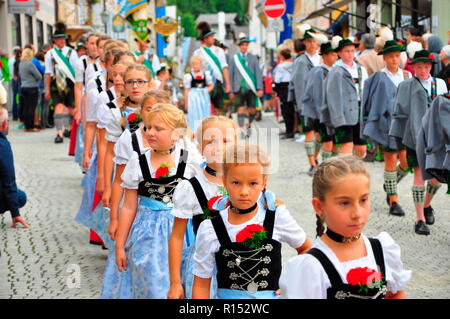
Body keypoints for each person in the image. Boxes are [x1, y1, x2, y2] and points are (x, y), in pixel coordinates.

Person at [279, 156, 411, 299]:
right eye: (344, 203)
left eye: (363, 200)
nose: (357, 213)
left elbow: (396, 294)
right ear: (319, 206)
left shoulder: (381, 250)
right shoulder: (311, 267)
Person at [192, 142, 312, 299]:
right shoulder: (210, 228)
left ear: (264, 182)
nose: (244, 192)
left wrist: (293, 281)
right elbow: (201, 283)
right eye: (236, 183)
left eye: (253, 183)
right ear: (224, 181)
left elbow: (307, 248)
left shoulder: (275, 217)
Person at [113, 104, 202, 298]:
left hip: (183, 232)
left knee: (184, 285)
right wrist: (119, 245)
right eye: (148, 127)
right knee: (152, 287)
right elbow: (128, 206)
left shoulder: (190, 160)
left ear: (178, 133)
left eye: (158, 128)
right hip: (147, 235)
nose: (150, 132)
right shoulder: (138, 161)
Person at [100, 90, 172, 299]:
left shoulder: (186, 152)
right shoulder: (130, 143)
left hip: (175, 229)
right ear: (141, 111)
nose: (154, 116)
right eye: (149, 109)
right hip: (143, 222)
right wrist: (114, 219)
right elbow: (120, 184)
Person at [168, 116, 237, 299]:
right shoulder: (191, 188)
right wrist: (175, 282)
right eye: (211, 141)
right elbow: (177, 236)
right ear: (200, 149)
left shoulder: (248, 184)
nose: (220, 147)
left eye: (226, 140)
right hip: (203, 270)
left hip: (240, 267)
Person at [388, 50, 447, 235]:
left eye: (426, 66)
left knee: (438, 179)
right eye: (419, 67)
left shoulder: (441, 84)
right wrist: (399, 144)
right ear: (413, 68)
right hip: (414, 137)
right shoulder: (406, 86)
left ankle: (427, 204)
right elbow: (399, 115)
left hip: (438, 139)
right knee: (419, 176)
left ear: (431, 66)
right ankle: (419, 219)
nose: (422, 70)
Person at [361, 40, 412, 218]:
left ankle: (389, 184)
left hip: (405, 126)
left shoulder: (407, 76)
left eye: (397, 56)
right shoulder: (377, 78)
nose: (394, 59)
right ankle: (393, 199)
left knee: (407, 163)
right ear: (384, 58)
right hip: (386, 125)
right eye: (391, 56)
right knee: (390, 160)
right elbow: (370, 102)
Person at [324, 38, 369, 158]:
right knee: (346, 147)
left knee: (362, 149)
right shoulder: (336, 71)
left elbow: (365, 91)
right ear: (339, 53)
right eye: (346, 51)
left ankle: (356, 172)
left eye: (352, 51)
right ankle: (347, 173)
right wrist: (338, 118)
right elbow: (333, 96)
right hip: (344, 113)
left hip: (359, 111)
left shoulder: (361, 69)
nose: (350, 54)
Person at [302, 38, 340, 167]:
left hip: (331, 112)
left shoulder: (337, 70)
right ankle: (320, 166)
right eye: (333, 54)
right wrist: (322, 113)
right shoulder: (318, 72)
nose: (335, 57)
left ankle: (321, 162)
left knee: (326, 141)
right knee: (326, 141)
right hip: (319, 111)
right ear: (324, 56)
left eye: (336, 54)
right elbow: (317, 95)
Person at [290, 24, 325, 150]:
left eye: (314, 41)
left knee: (322, 134)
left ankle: (317, 157)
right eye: (309, 41)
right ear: (304, 42)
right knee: (310, 132)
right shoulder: (300, 61)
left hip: (322, 101)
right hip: (308, 102)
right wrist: (301, 106)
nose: (312, 44)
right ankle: (312, 163)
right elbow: (299, 86)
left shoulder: (322, 58)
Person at [44, 22, 79, 143]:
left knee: (70, 107)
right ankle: (59, 133)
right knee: (58, 107)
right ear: (54, 40)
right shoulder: (50, 54)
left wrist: (78, 87)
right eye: (59, 39)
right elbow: (48, 72)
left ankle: (68, 128)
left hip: (70, 82)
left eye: (63, 38)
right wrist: (47, 89)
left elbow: (76, 72)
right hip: (55, 83)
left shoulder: (72, 53)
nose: (62, 41)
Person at [228, 33, 263, 139]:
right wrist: (230, 90)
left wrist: (260, 88)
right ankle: (242, 129)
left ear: (248, 46)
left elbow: (258, 74)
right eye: (242, 45)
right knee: (240, 108)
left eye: (246, 45)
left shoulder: (253, 58)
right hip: (238, 87)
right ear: (239, 46)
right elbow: (230, 74)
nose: (244, 47)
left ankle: (249, 125)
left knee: (252, 109)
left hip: (251, 88)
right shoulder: (234, 59)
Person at [0, 107, 30, 228]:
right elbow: (9, 180)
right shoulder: (2, 145)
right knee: (21, 197)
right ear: (5, 124)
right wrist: (15, 212)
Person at [193, 21, 231, 115]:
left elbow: (224, 67)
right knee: (204, 109)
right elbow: (195, 71)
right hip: (203, 83)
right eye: (211, 36)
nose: (213, 38)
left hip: (217, 83)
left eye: (213, 36)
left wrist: (227, 84)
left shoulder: (219, 51)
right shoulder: (197, 53)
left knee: (220, 109)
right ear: (205, 39)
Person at [183, 56, 214, 132]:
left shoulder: (205, 74)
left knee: (205, 112)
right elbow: (187, 90)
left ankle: (205, 130)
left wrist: (206, 91)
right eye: (193, 64)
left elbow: (211, 85)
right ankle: (194, 131)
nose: (195, 66)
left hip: (203, 97)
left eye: (197, 64)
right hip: (193, 98)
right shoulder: (189, 76)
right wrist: (186, 103)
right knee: (194, 114)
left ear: (200, 64)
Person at [18, 48, 42, 132]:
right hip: (32, 87)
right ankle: (32, 126)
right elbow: (38, 75)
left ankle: (26, 126)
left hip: (23, 87)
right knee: (32, 107)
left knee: (26, 107)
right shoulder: (30, 64)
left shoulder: (21, 64)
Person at [273, 49, 295, 139]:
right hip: (293, 87)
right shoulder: (294, 65)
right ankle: (293, 129)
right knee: (292, 110)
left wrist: (276, 91)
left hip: (283, 88)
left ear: (282, 56)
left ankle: (288, 130)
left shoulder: (280, 67)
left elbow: (277, 80)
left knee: (285, 110)